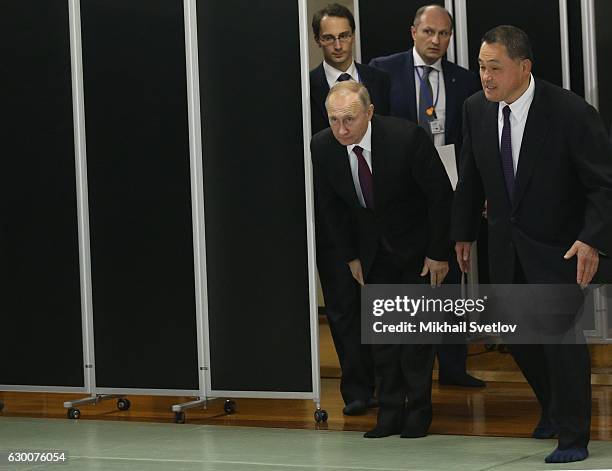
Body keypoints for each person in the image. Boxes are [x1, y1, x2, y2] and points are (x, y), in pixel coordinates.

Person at [452, 25, 612, 464]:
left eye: (495, 68)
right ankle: (555, 409)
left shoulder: (571, 112)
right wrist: (462, 232)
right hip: (505, 245)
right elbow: (470, 176)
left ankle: (574, 436)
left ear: (524, 67)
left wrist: (591, 240)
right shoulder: (475, 110)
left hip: (562, 248)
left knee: (562, 342)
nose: (485, 77)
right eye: (482, 68)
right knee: (518, 339)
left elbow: (603, 186)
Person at [311, 81, 453, 438]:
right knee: (385, 340)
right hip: (372, 254)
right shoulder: (323, 146)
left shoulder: (407, 138)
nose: (342, 129)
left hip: (419, 251)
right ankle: (389, 413)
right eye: (334, 120)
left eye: (350, 120)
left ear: (370, 113)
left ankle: (419, 412)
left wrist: (438, 253)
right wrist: (351, 256)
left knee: (417, 339)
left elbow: (440, 197)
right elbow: (331, 206)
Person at [369, 4, 484, 388]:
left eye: (445, 34)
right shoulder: (382, 70)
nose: (437, 41)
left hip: (447, 190)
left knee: (448, 279)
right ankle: (400, 374)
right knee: (403, 281)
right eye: (429, 32)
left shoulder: (465, 80)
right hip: (399, 195)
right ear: (413, 32)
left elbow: (469, 139)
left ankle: (453, 367)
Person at [310, 3, 391, 416]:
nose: (338, 45)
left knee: (385, 303)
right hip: (333, 218)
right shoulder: (302, 87)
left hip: (383, 216)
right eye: (329, 37)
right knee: (342, 307)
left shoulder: (380, 80)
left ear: (354, 35)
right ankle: (358, 389)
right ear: (317, 41)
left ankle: (392, 387)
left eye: (344, 35)